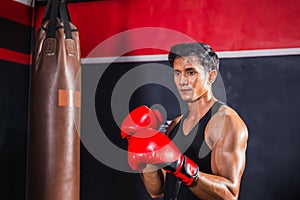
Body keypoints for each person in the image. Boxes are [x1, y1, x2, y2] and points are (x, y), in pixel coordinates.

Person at [120, 42, 248, 200]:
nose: (182, 81)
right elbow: (157, 190)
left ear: (211, 76)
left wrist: (182, 167)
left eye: (190, 72)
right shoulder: (175, 124)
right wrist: (143, 150)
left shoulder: (226, 122)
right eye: (177, 73)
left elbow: (229, 194)